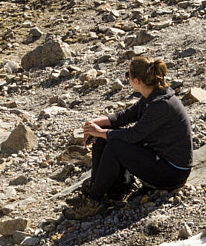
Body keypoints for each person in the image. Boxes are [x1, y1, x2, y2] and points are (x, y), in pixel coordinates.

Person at [68, 55, 191, 217]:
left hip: (173, 173)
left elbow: (134, 135)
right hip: (160, 159)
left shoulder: (161, 105)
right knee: (105, 135)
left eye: (128, 76)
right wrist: (95, 125)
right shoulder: (153, 95)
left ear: (137, 81)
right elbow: (125, 116)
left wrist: (100, 132)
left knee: (114, 145)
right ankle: (110, 190)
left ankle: (94, 201)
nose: (128, 79)